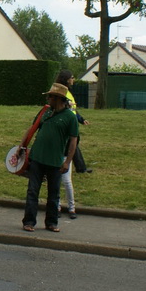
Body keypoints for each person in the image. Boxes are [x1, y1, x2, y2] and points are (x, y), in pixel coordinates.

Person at [21, 83, 78, 233]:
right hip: (37, 158)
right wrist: (21, 147)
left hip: (55, 162)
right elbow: (32, 129)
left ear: (59, 99)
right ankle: (29, 222)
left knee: (53, 194)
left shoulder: (70, 117)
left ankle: (51, 223)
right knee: (32, 191)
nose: (48, 99)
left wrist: (67, 162)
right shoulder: (45, 112)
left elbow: (73, 142)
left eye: (50, 96)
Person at [55, 69, 89, 219]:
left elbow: (73, 110)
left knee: (66, 180)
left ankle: (71, 207)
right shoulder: (62, 92)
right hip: (65, 132)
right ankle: (58, 206)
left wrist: (81, 119)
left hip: (71, 129)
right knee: (58, 180)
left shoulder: (68, 92)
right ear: (66, 79)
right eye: (72, 77)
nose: (74, 79)